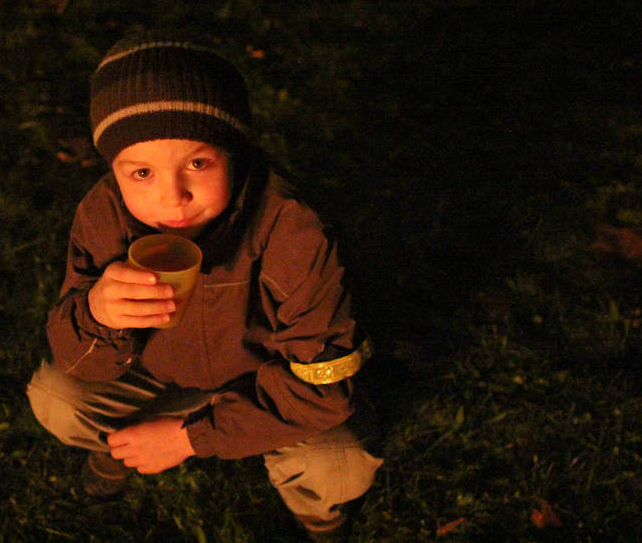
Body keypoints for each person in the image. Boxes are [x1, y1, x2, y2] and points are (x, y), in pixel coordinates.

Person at [26, 30, 383, 540]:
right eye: (142, 173)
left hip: (265, 384)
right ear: (114, 169)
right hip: (156, 373)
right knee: (56, 398)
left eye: (197, 163)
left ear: (232, 152)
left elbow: (324, 390)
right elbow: (76, 359)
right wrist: (99, 314)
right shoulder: (105, 215)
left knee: (338, 466)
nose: (173, 197)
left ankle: (318, 517)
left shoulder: (291, 230)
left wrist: (188, 439)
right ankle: (120, 451)